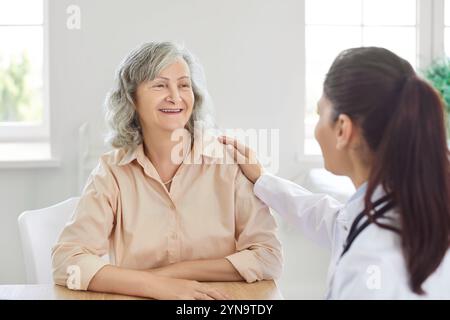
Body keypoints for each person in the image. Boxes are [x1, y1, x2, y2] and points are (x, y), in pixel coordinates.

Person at [52, 42, 283, 300]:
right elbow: (67, 262)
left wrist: (172, 274)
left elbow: (268, 257)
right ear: (132, 99)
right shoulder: (112, 172)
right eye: (160, 85)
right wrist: (154, 287)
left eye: (184, 85)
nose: (175, 96)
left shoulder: (229, 163)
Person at [220, 47, 450, 299]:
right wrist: (263, 180)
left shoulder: (372, 264)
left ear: (342, 129)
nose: (317, 129)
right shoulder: (401, 208)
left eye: (319, 115)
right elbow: (333, 220)